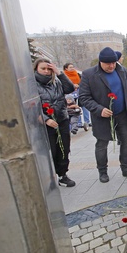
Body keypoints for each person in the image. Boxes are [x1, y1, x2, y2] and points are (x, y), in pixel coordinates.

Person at [79, 47, 127, 183]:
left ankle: (126, 169)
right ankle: (102, 171)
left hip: (122, 114)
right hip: (102, 117)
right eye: (108, 64)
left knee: (126, 141)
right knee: (102, 144)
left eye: (113, 63)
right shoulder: (89, 74)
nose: (111, 66)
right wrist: (99, 109)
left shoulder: (122, 70)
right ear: (100, 62)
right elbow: (83, 97)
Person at [34, 58, 76, 187]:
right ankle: (49, 177)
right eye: (43, 69)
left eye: (49, 69)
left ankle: (63, 175)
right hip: (44, 124)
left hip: (61, 120)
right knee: (50, 151)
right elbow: (30, 107)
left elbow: (69, 88)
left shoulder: (56, 81)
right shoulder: (31, 84)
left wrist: (59, 73)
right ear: (36, 69)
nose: (46, 71)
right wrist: (46, 119)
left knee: (64, 148)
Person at [63, 62, 91, 131]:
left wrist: (79, 85)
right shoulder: (64, 76)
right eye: (70, 67)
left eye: (72, 67)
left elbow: (83, 82)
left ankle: (87, 121)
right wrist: (72, 86)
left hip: (78, 92)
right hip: (69, 95)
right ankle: (77, 122)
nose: (72, 68)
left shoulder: (77, 74)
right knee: (73, 108)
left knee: (83, 106)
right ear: (66, 68)